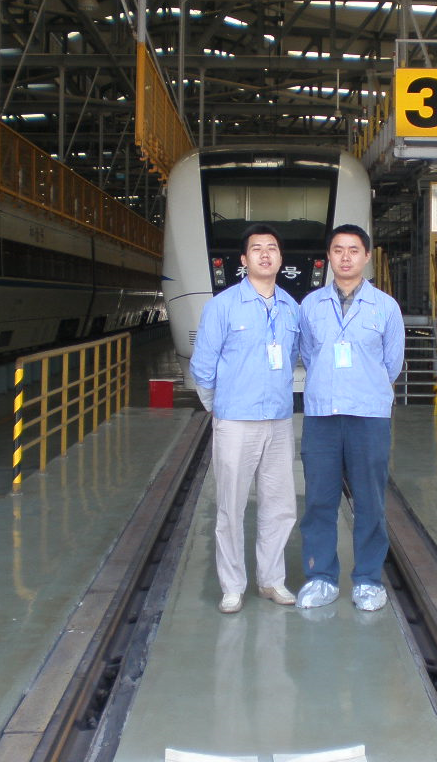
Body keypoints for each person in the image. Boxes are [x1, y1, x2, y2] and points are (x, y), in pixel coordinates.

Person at [189, 223, 302, 614]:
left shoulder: (291, 308)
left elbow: (294, 356)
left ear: (281, 259)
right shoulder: (222, 306)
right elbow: (203, 365)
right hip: (236, 421)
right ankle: (233, 586)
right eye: (257, 249)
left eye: (272, 248)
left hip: (279, 421)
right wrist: (218, 407)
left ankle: (271, 580)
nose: (265, 254)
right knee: (230, 507)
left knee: (279, 505)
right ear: (244, 259)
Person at [294, 224, 405, 612]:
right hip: (322, 414)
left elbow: (391, 363)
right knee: (319, 500)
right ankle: (321, 577)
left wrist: (362, 385)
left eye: (353, 250)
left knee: (370, 501)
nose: (345, 257)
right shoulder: (310, 305)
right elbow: (308, 354)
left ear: (367, 256)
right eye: (338, 250)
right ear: (329, 257)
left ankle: (368, 580)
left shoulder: (386, 307)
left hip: (368, 415)